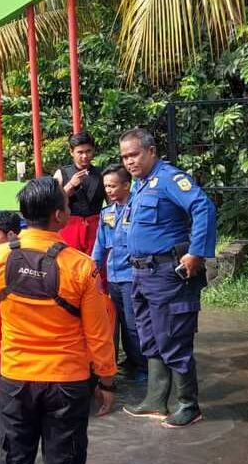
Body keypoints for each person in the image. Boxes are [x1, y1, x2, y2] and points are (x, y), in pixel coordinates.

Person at [0, 177, 116, 464]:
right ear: (60, 215)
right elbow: (98, 333)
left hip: (16, 380)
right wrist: (106, 381)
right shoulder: (81, 267)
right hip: (67, 385)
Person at [119, 128, 216, 428]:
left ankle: (188, 404)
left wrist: (197, 252)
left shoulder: (169, 179)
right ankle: (155, 399)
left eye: (134, 154)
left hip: (167, 275)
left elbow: (203, 207)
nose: (129, 162)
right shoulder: (139, 185)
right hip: (141, 273)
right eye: (124, 157)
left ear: (150, 151)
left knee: (173, 337)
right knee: (149, 336)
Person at [91, 165, 147, 381]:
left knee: (134, 325)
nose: (109, 190)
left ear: (126, 185)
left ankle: (143, 366)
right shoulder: (107, 213)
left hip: (132, 276)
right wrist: (94, 269)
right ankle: (128, 360)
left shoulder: (138, 208)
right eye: (106, 186)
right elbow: (100, 244)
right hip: (113, 277)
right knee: (117, 322)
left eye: (113, 186)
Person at [54, 132, 105, 254]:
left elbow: (112, 203)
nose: (85, 156)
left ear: (93, 151)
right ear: (71, 152)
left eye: (88, 151)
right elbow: (52, 202)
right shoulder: (61, 173)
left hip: (96, 228)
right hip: (69, 227)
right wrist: (70, 185)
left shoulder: (102, 173)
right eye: (80, 152)